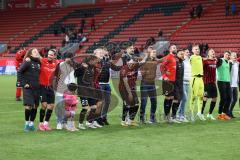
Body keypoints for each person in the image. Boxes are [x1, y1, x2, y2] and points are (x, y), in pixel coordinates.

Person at [120, 48, 149, 127]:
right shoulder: (124, 69)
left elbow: (143, 62)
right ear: (128, 62)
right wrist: (129, 93)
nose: (134, 63)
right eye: (132, 61)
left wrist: (146, 55)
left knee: (136, 104)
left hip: (132, 88)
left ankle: (130, 120)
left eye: (135, 61)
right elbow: (125, 82)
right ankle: (123, 120)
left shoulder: (135, 65)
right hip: (124, 89)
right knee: (127, 104)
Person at [75, 55, 102, 129]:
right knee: (85, 108)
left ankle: (89, 122)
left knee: (94, 107)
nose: (96, 62)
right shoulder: (82, 67)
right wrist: (81, 67)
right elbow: (75, 73)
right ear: (91, 60)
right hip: (83, 91)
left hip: (91, 90)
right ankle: (80, 124)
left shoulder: (92, 68)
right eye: (95, 61)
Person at [17, 48, 41, 132]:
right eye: (35, 51)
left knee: (35, 106)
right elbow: (19, 72)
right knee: (28, 105)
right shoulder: (27, 61)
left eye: (37, 51)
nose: (36, 52)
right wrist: (23, 83)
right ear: (30, 54)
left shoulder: (39, 62)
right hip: (28, 88)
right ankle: (26, 123)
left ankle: (31, 124)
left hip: (37, 87)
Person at [38, 49, 60, 131]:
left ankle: (46, 123)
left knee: (51, 106)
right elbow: (36, 56)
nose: (49, 56)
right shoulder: (42, 61)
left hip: (50, 87)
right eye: (49, 54)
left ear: (55, 56)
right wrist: (28, 59)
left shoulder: (57, 63)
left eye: (51, 55)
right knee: (44, 105)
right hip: (42, 86)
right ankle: (40, 124)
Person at [98, 48, 122, 125]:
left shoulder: (107, 61)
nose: (104, 53)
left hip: (107, 84)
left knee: (107, 102)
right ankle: (97, 119)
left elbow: (115, 68)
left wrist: (125, 66)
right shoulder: (97, 61)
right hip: (99, 84)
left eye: (104, 51)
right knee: (100, 102)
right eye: (102, 52)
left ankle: (103, 117)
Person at [139, 46, 163, 124]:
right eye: (153, 52)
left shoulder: (155, 61)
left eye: (155, 52)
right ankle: (141, 118)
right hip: (145, 83)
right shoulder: (144, 60)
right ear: (149, 53)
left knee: (154, 102)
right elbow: (141, 69)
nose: (155, 53)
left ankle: (152, 118)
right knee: (144, 102)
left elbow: (162, 60)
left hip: (152, 83)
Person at [54, 52, 76, 130]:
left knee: (68, 107)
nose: (70, 59)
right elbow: (55, 76)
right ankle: (59, 123)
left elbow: (73, 77)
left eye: (71, 57)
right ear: (65, 58)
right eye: (68, 58)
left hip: (69, 90)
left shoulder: (73, 65)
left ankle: (64, 122)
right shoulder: (60, 65)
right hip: (60, 89)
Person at [160, 44, 177, 123]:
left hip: (173, 80)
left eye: (176, 48)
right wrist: (164, 76)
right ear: (170, 49)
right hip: (167, 81)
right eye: (174, 48)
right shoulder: (168, 57)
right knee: (167, 98)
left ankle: (167, 115)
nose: (175, 49)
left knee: (171, 98)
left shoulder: (174, 58)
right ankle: (166, 116)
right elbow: (161, 66)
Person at [189, 45, 205, 121]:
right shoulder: (191, 57)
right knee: (193, 97)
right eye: (195, 49)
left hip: (201, 79)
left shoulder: (200, 57)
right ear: (192, 50)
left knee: (201, 96)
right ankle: (191, 113)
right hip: (194, 78)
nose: (197, 50)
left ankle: (199, 112)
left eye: (198, 49)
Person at [201, 49, 217, 120]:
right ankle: (201, 113)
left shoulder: (215, 61)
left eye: (214, 52)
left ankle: (210, 114)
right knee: (205, 98)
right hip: (206, 82)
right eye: (211, 52)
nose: (213, 52)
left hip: (213, 82)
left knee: (215, 98)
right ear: (208, 54)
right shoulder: (205, 61)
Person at [170, 49, 185, 123]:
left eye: (183, 54)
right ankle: (173, 117)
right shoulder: (175, 62)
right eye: (181, 54)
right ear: (177, 55)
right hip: (175, 84)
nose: (182, 55)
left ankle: (174, 116)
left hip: (180, 84)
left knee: (179, 99)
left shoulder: (182, 63)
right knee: (176, 100)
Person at [216, 51, 231, 120]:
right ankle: (219, 114)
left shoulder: (228, 62)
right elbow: (215, 64)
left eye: (228, 55)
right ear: (224, 54)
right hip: (221, 81)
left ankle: (224, 114)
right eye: (226, 54)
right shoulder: (220, 60)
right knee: (223, 98)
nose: (227, 56)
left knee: (229, 98)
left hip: (227, 82)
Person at [178, 48, 191, 122]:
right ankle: (181, 115)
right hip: (182, 82)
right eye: (186, 52)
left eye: (188, 52)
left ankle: (179, 114)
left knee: (184, 99)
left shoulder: (189, 61)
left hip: (187, 82)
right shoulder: (182, 61)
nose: (188, 53)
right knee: (184, 98)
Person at [229, 52, 239, 118]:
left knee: (235, 99)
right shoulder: (229, 63)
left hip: (235, 84)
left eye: (235, 56)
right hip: (230, 84)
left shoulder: (238, 64)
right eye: (233, 56)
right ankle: (227, 112)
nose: (235, 57)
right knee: (230, 99)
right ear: (230, 57)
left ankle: (230, 111)